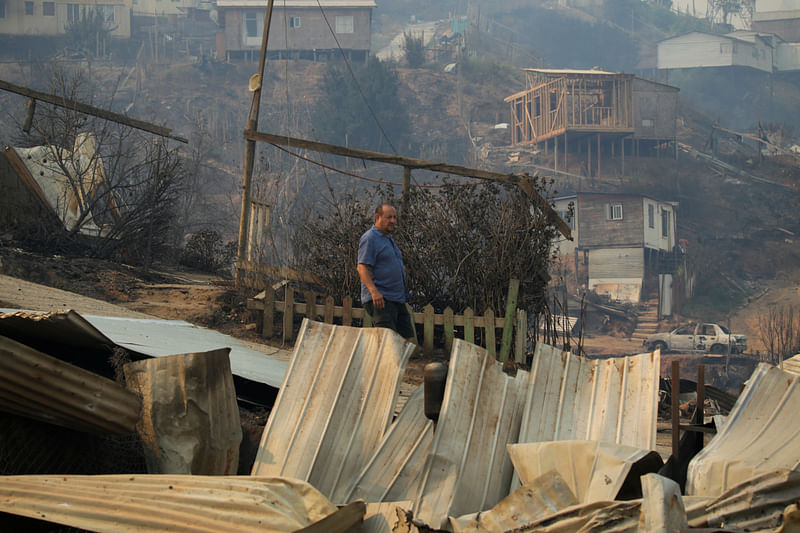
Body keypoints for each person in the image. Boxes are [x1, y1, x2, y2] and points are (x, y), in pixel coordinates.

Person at [357, 203, 416, 340]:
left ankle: (399, 362)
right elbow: (362, 267)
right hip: (382, 300)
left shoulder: (388, 239)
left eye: (395, 217)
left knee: (405, 339)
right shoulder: (370, 238)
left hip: (397, 298)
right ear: (377, 217)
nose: (393, 221)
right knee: (386, 342)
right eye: (389, 217)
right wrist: (374, 291)